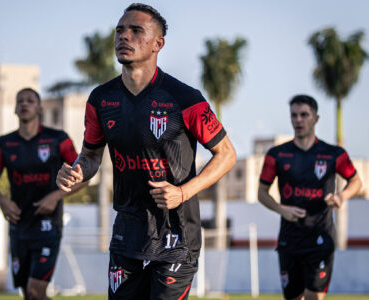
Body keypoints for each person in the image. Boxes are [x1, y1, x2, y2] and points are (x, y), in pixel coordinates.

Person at [56, 3, 236, 299]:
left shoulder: (185, 98)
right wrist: (75, 171)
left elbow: (227, 154)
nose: (123, 37)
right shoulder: (101, 99)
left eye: (136, 31)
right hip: (127, 231)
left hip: (176, 234)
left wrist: (182, 192)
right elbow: (90, 157)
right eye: (120, 31)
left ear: (158, 44)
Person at [0, 88, 87, 300]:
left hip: (48, 225)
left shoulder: (58, 139)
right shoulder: (3, 144)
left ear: (40, 108)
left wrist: (55, 196)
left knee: (34, 291)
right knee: (29, 294)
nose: (24, 104)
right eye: (20, 100)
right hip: (19, 226)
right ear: (14, 108)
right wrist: (3, 201)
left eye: (30, 100)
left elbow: (83, 176)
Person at [258, 95, 362, 300]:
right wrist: (282, 209)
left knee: (314, 297)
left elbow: (357, 182)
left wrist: (341, 196)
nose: (298, 120)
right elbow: (261, 193)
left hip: (321, 239)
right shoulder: (277, 154)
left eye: (304, 115)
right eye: (294, 115)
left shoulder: (333, 154)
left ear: (316, 118)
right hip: (290, 240)